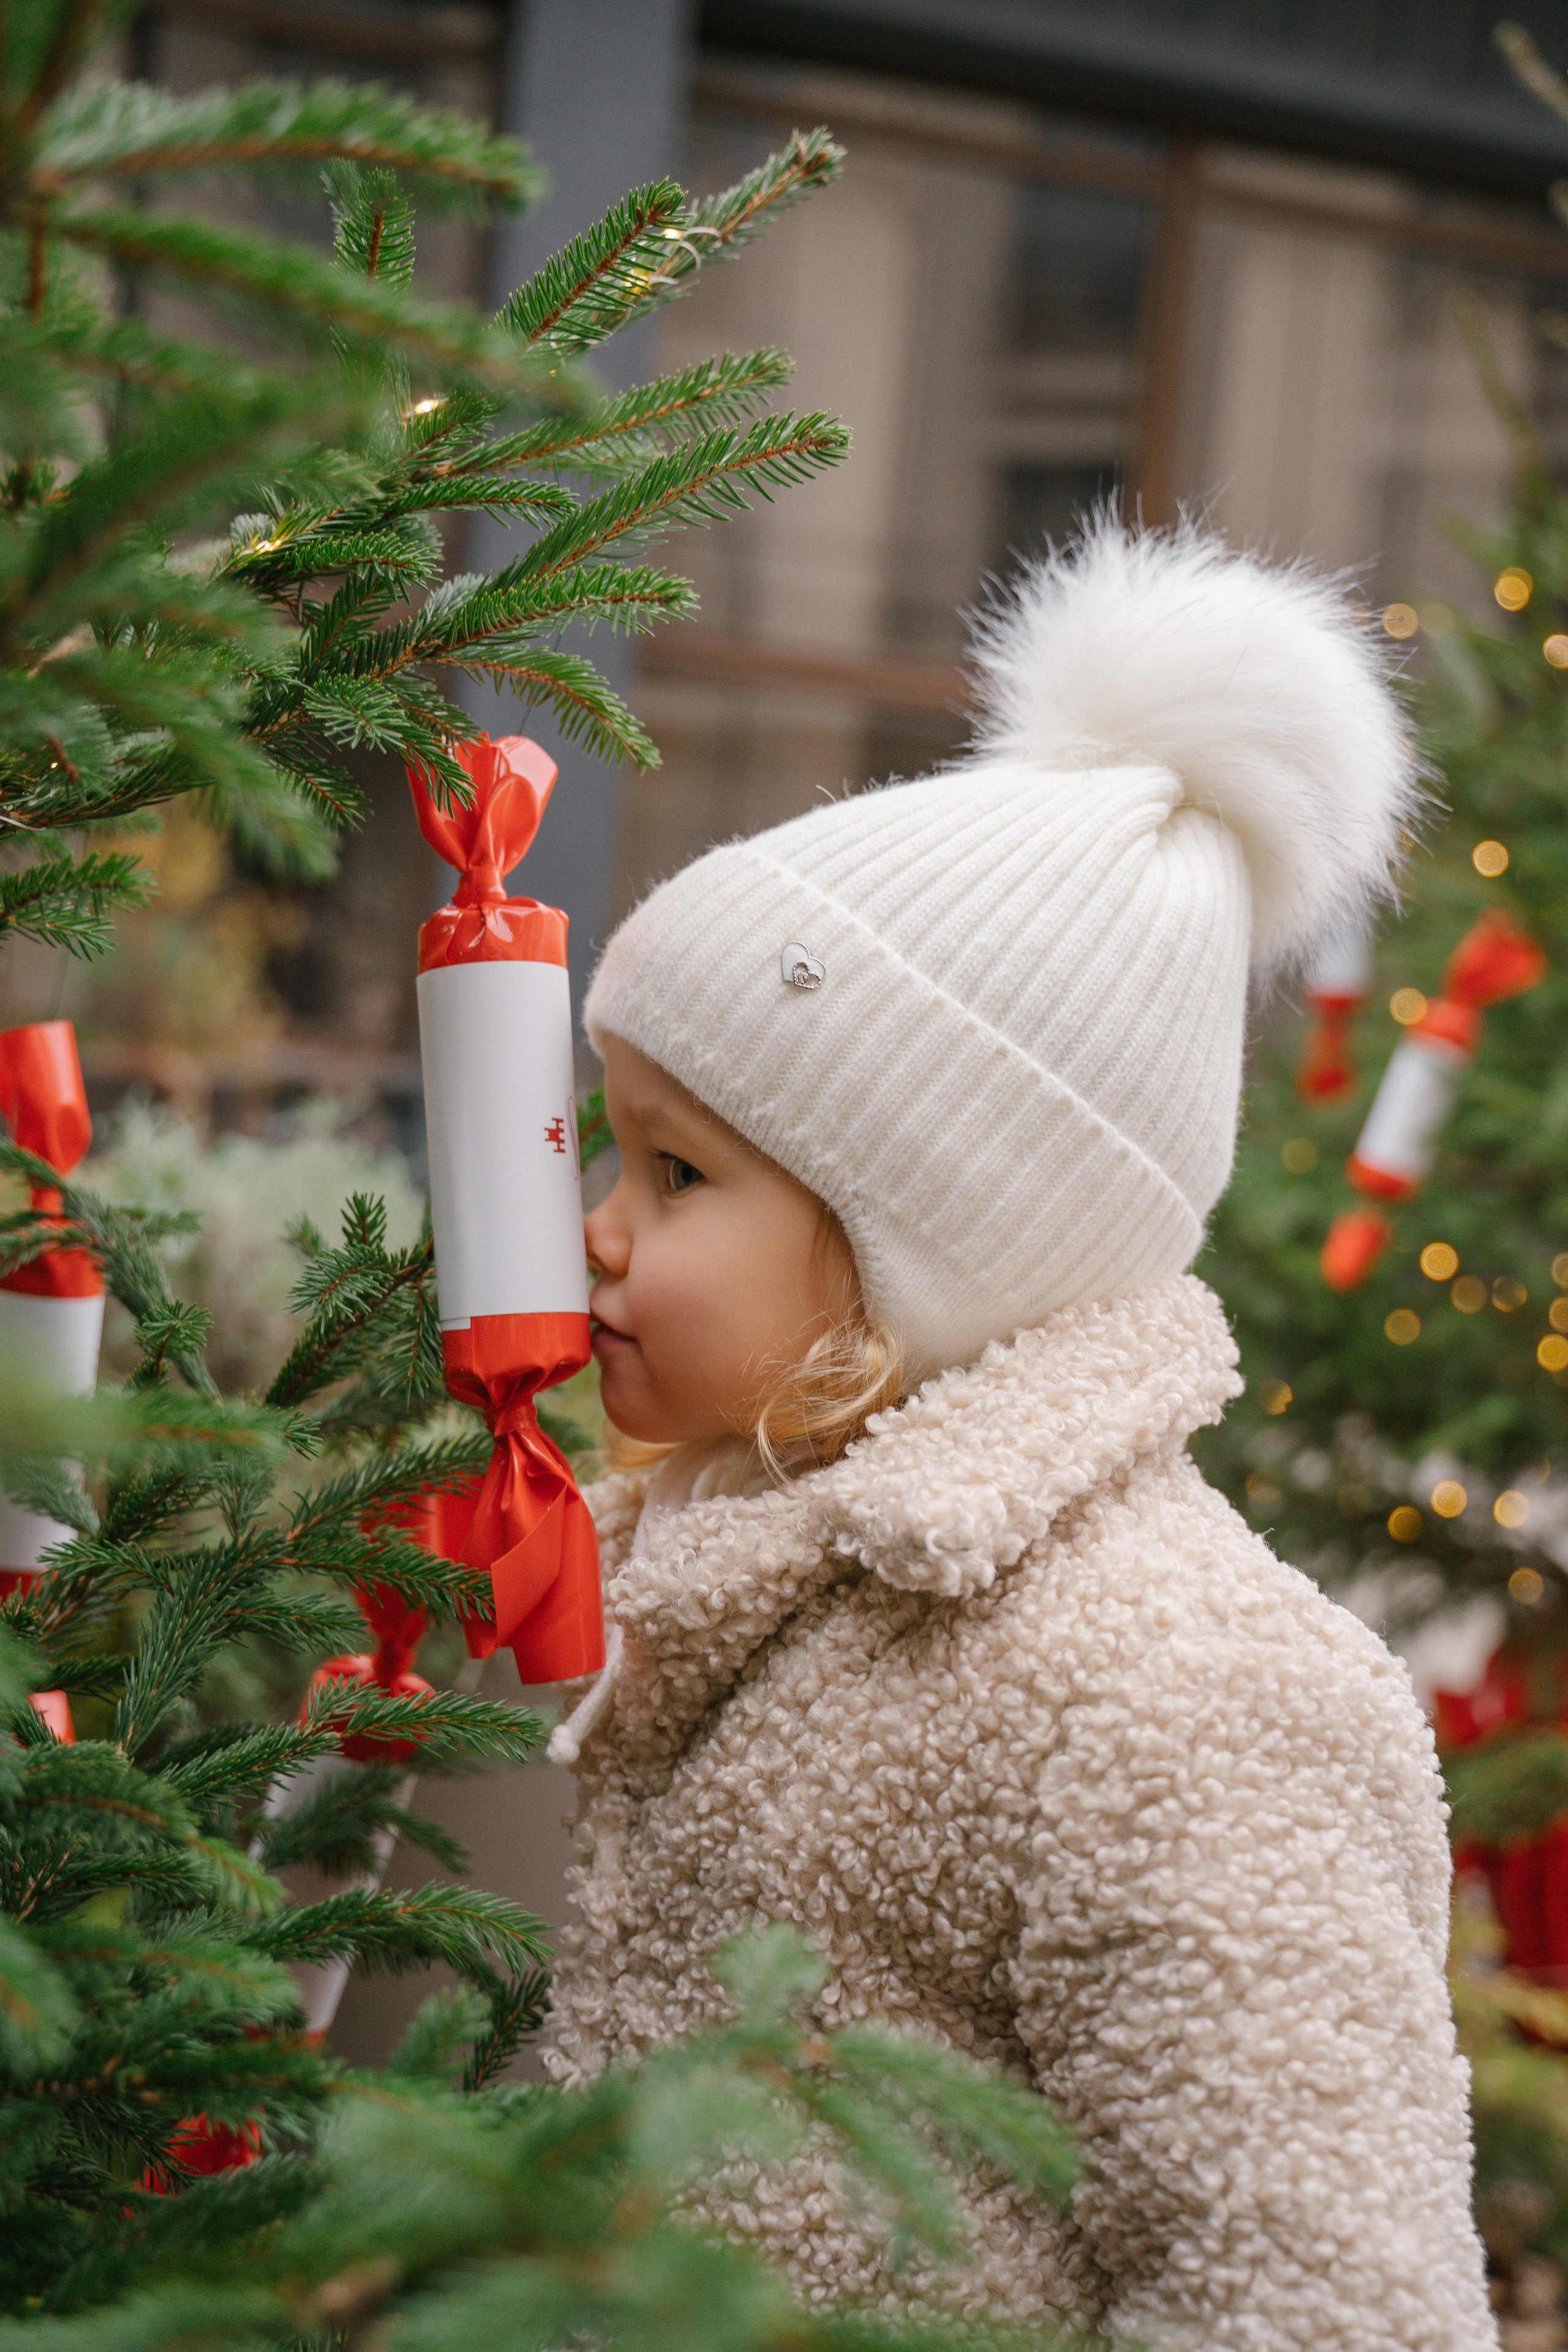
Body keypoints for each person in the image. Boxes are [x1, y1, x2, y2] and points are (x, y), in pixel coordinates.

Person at [543, 517, 1496, 2349]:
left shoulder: (1172, 1691)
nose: (599, 1223)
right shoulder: (734, 1559)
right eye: (617, 1142)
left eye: (677, 1172)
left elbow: (1319, 2297)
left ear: (930, 1259)